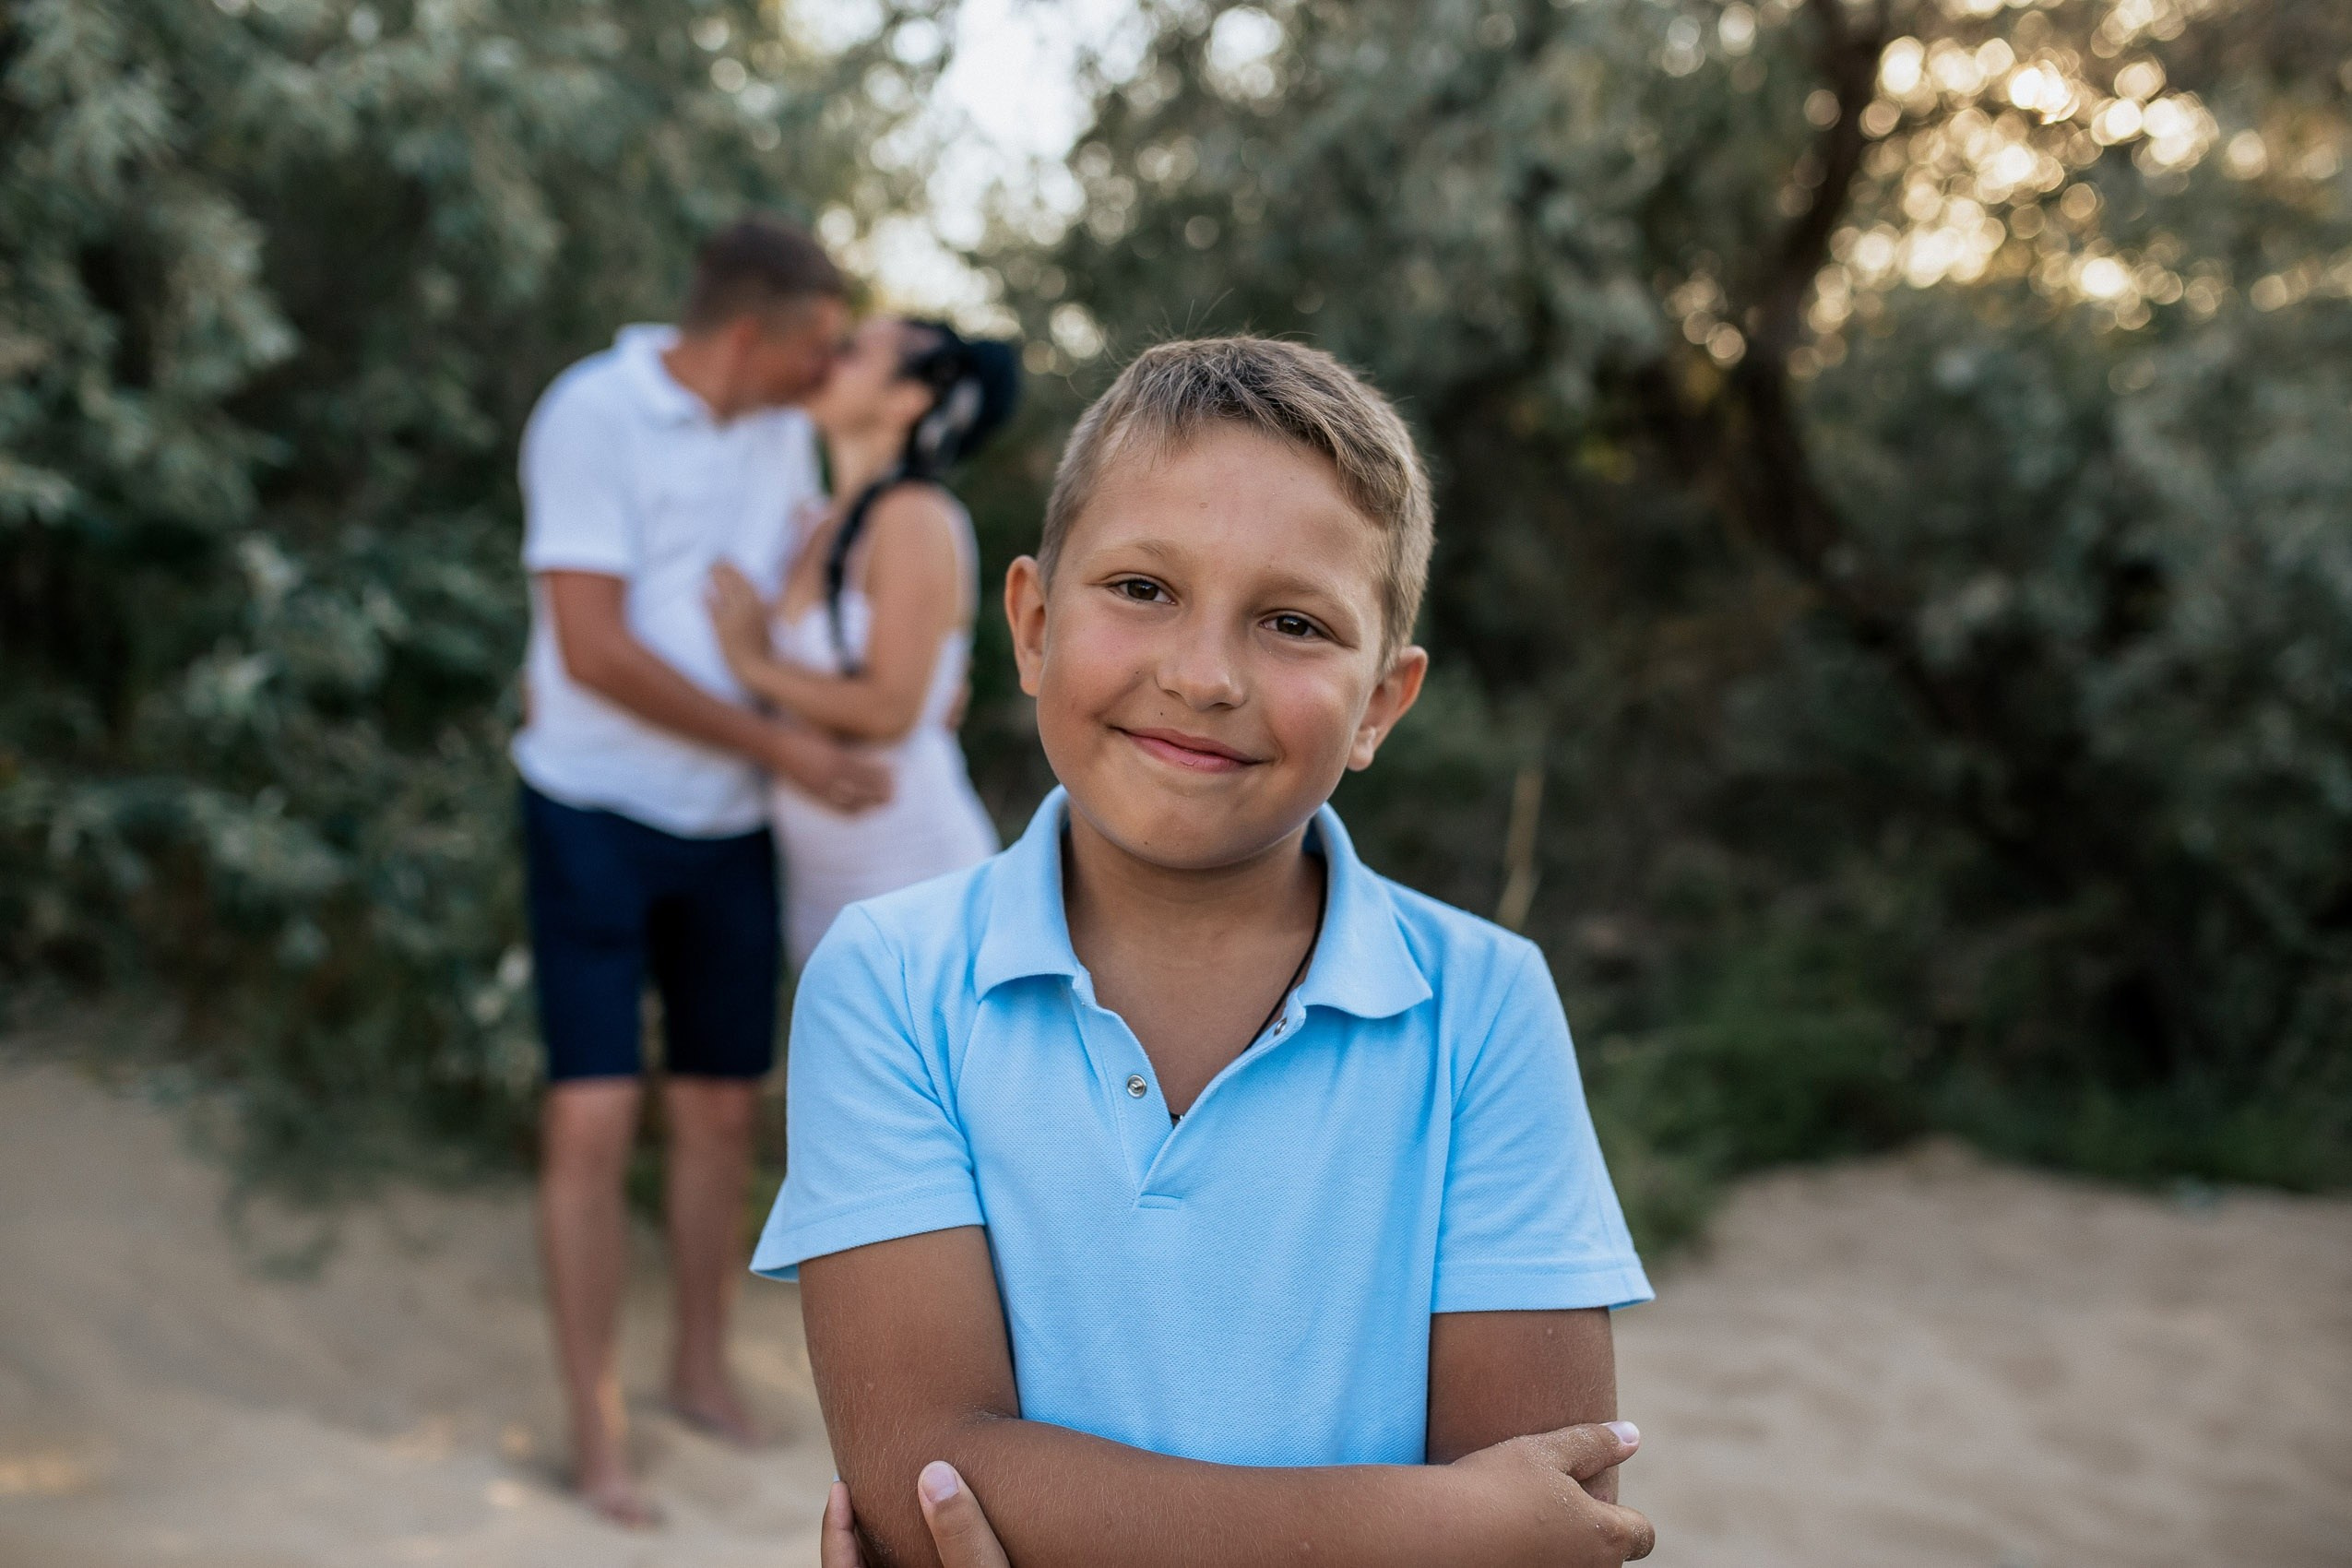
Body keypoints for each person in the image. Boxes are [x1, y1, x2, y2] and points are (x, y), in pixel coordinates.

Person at [758, 337, 1658, 1565]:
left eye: (1292, 622)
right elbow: (924, 1488)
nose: (1203, 675)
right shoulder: (890, 981)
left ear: (1379, 704)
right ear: (1031, 625)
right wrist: (1436, 1524)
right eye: (1142, 588)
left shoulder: (1483, 1005)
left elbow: (1546, 1536)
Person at [511, 217, 885, 1527]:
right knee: (592, 1118)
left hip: (729, 827)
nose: (829, 370)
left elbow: (787, 601)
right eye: (818, 345)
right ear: (747, 335)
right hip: (591, 811)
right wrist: (784, 742)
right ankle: (596, 1433)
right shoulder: (592, 412)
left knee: (723, 1111)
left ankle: (697, 1372)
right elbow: (592, 646)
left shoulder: (782, 434)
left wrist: (874, 670)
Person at [706, 316, 1020, 966]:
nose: (826, 356)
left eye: (850, 351)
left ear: (906, 399)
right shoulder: (818, 521)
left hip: (913, 880)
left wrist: (753, 665)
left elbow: (889, 709)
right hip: (821, 887)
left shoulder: (915, 517)